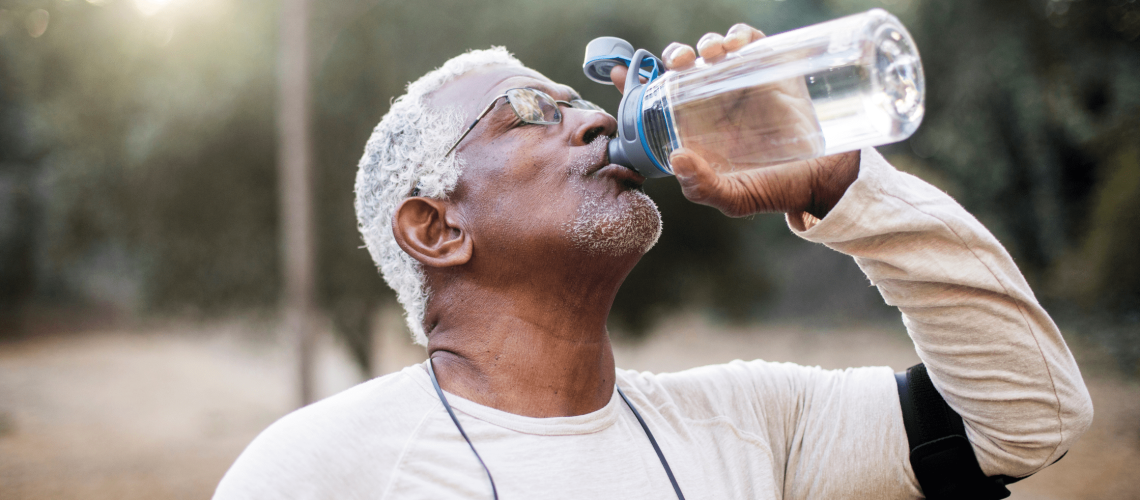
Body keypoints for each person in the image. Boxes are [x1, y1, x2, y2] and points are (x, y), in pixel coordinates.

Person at [214, 24, 1093, 499]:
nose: (597, 119)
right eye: (528, 111)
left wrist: (843, 184)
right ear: (436, 229)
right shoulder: (320, 470)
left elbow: (1032, 419)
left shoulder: (756, 426)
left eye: (579, 100)